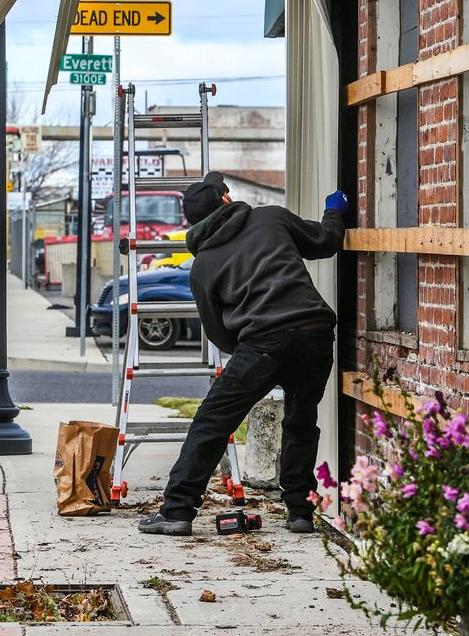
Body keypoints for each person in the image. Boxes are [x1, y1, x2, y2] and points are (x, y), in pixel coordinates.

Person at [138, 171, 347, 536]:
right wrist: (334, 212)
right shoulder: (271, 217)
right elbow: (325, 242)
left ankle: (176, 510)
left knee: (212, 422)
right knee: (300, 420)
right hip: (315, 333)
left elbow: (220, 336)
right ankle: (300, 511)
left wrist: (255, 352)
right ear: (224, 199)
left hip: (263, 342)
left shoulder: (202, 267)